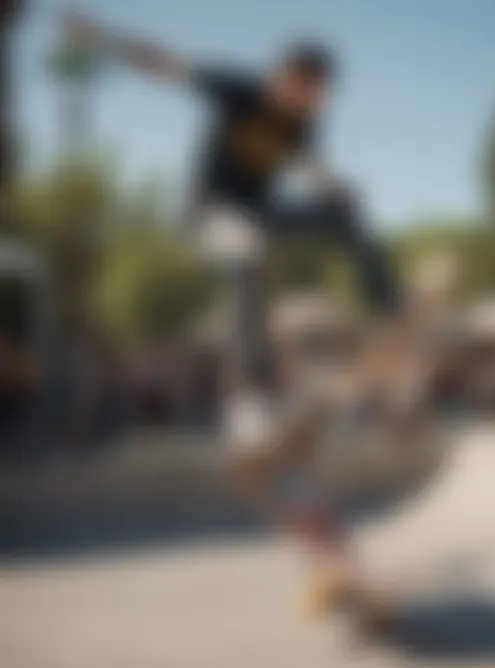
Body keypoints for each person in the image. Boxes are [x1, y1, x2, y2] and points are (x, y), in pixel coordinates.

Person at [60, 9, 404, 618]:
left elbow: (308, 168)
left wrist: (338, 187)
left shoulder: (303, 127)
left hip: (258, 221)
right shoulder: (237, 88)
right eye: (300, 91)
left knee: (344, 217)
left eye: (316, 99)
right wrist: (101, 38)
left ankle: (393, 313)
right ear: (281, 76)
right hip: (205, 216)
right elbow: (165, 63)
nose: (306, 105)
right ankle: (249, 388)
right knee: (245, 247)